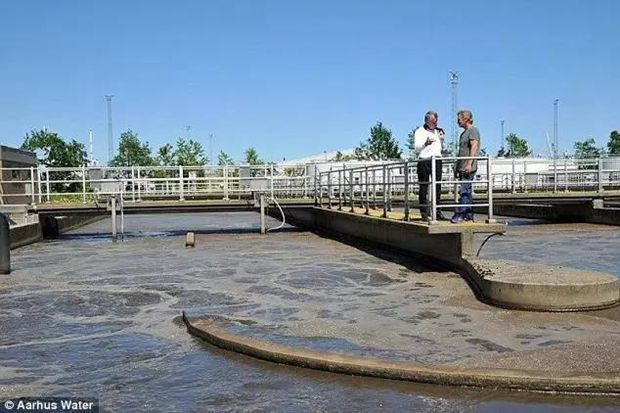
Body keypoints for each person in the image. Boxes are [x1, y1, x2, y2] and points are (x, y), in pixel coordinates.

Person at [413, 111, 445, 220]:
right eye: (432, 121)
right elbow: (416, 148)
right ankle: (424, 212)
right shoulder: (419, 131)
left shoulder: (439, 131)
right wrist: (425, 143)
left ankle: (437, 210)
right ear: (426, 120)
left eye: (436, 121)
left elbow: (440, 147)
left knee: (437, 186)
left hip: (436, 159)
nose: (435, 123)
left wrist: (441, 140)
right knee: (424, 186)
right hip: (424, 159)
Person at [451, 109, 480, 223]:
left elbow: (474, 147)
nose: (457, 122)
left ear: (466, 119)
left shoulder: (473, 131)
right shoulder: (463, 133)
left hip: (468, 167)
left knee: (464, 190)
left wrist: (469, 163)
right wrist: (457, 166)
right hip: (462, 166)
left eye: (459, 120)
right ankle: (468, 214)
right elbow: (461, 151)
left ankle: (462, 214)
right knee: (465, 190)